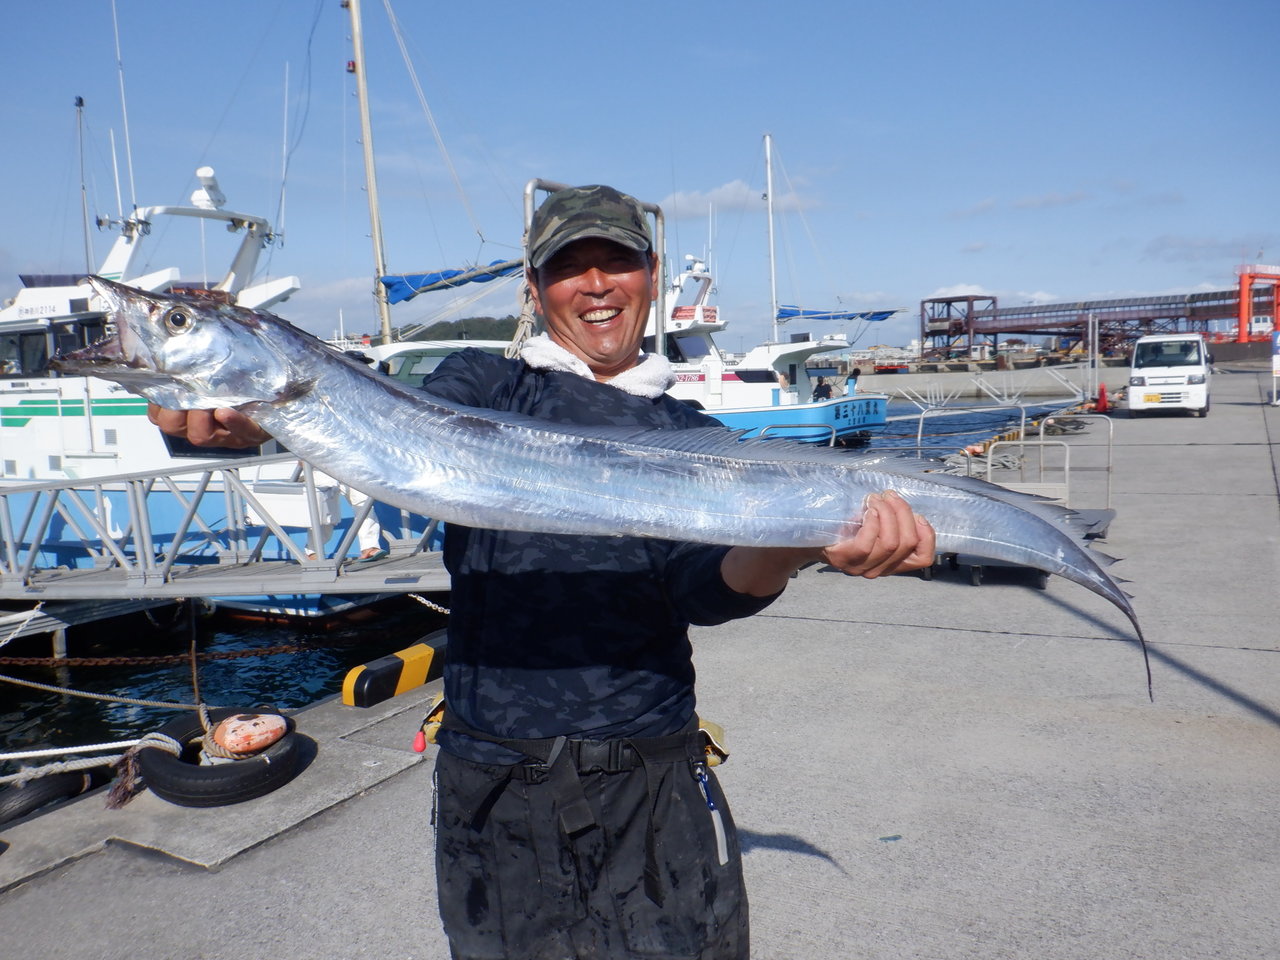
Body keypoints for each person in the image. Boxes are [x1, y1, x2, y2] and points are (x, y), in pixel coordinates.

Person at [148, 184, 934, 960]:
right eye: (569, 266)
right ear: (535, 287)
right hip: (492, 783)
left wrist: (802, 541)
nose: (595, 284)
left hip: (650, 781)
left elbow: (707, 588)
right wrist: (245, 425)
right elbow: (372, 429)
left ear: (650, 278)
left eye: (616, 262)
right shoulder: (481, 386)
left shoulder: (689, 432)